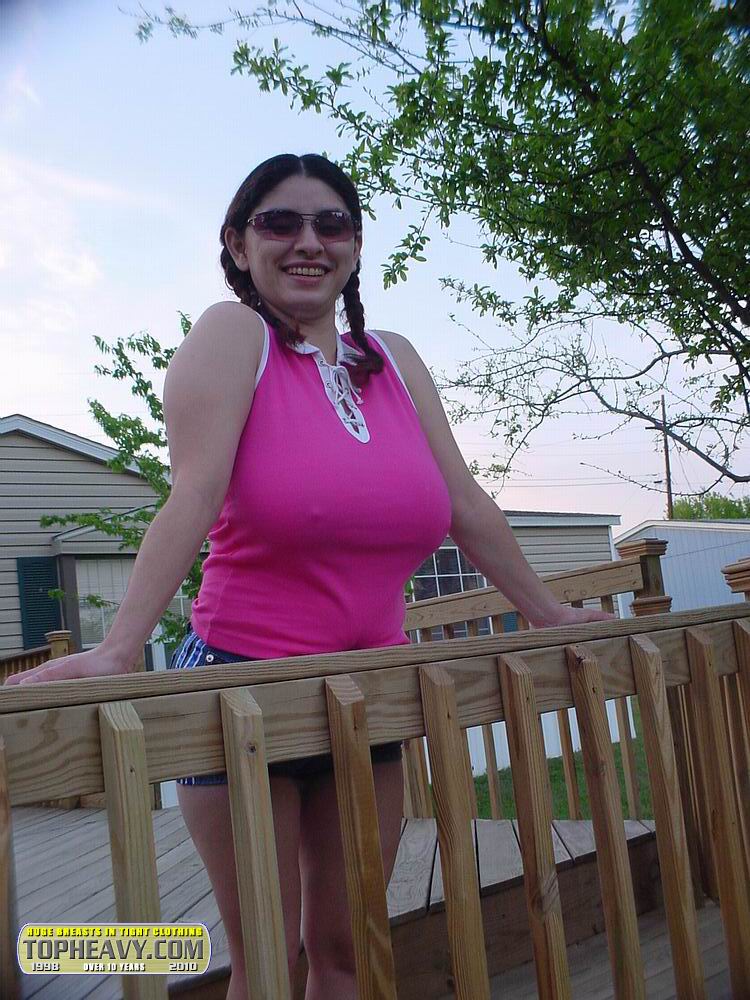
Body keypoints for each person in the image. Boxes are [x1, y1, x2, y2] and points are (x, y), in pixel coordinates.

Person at [5, 153, 610, 998]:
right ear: (238, 243)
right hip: (241, 694)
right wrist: (119, 648)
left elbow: (465, 504)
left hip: (371, 693)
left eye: (331, 224)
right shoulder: (234, 336)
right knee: (269, 960)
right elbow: (194, 493)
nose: (308, 242)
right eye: (279, 223)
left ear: (355, 245)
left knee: (348, 948)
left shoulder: (394, 359)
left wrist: (546, 614)